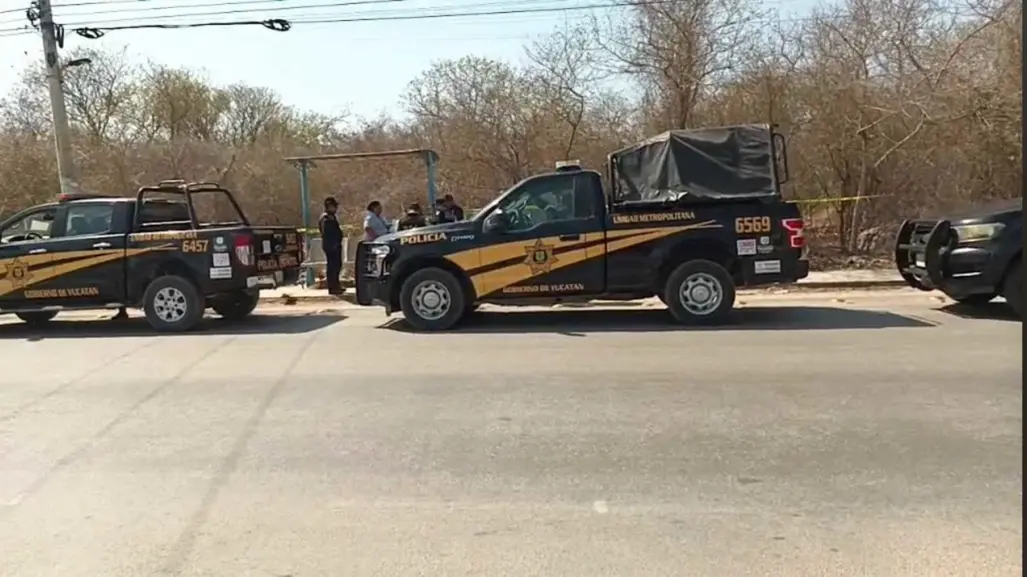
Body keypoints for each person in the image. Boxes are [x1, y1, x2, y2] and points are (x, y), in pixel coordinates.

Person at [319, 196, 343, 295]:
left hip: (336, 245)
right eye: (334, 206)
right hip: (331, 246)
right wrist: (333, 244)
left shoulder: (332, 217)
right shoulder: (325, 218)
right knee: (332, 267)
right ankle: (332, 287)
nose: (336, 209)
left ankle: (337, 285)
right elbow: (327, 233)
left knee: (337, 265)